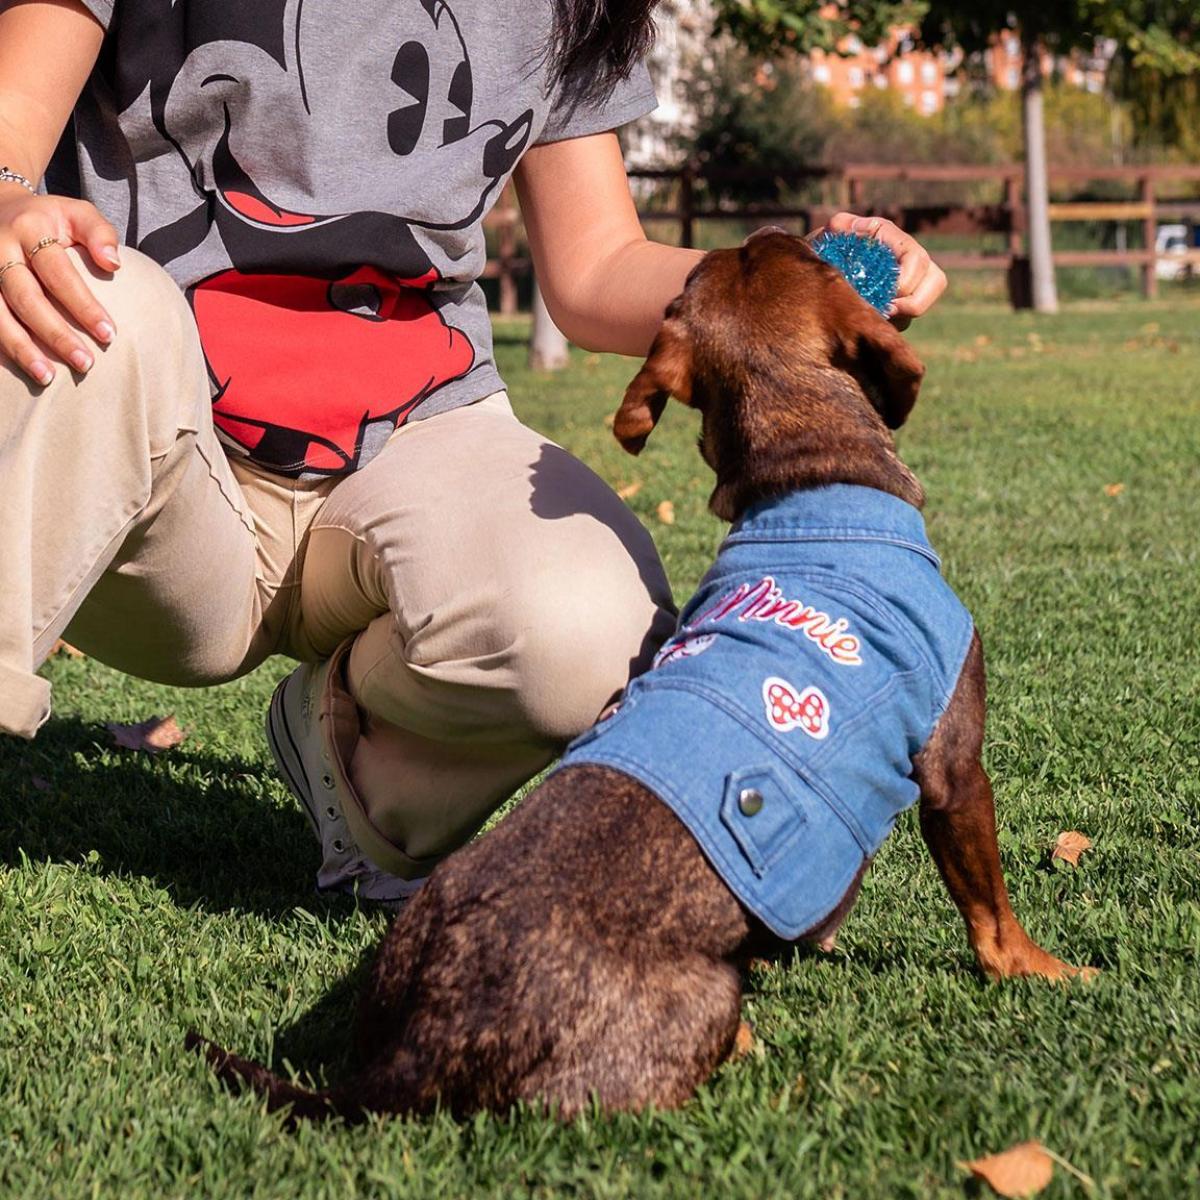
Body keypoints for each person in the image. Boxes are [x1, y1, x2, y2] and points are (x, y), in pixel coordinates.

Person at [0, 0, 947, 901]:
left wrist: (793, 281)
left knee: (597, 635)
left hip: (409, 444)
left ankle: (359, 754)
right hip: (157, 470)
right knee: (67, 290)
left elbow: (595, 266)